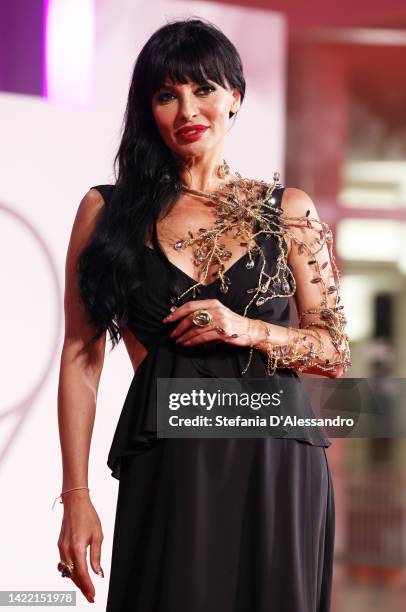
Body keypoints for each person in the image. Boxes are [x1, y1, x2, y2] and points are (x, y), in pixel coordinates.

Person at [55, 17, 351, 612]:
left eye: (204, 89)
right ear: (149, 110)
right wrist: (77, 496)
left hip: (277, 463)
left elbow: (334, 349)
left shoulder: (288, 211)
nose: (187, 108)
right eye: (167, 95)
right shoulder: (107, 212)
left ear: (235, 97)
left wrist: (245, 327)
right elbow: (81, 357)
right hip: (171, 461)